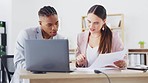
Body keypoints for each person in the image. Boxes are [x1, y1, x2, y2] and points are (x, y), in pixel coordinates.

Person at [10, 6, 65, 83]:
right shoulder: (26, 35)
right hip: (26, 79)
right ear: (40, 23)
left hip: (49, 79)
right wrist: (41, 67)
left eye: (56, 23)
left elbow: (61, 63)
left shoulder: (61, 39)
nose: (54, 28)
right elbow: (18, 63)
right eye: (49, 25)